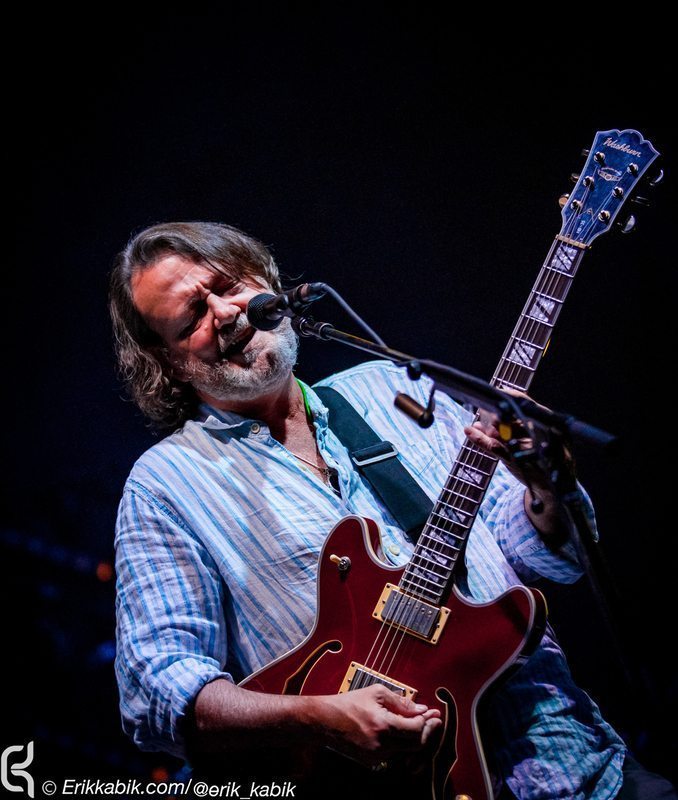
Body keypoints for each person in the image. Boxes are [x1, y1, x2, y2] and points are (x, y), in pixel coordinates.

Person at [110, 221, 675, 799]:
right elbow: (160, 693)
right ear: (168, 362)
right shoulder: (167, 484)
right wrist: (318, 716)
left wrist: (548, 487)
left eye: (230, 285)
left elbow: (550, 562)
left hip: (579, 768)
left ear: (269, 283)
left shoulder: (392, 389)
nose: (225, 313)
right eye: (192, 318)